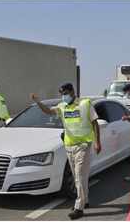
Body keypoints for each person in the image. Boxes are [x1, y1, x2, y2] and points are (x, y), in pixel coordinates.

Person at [30, 83, 102, 220]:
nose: (64, 96)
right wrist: (38, 102)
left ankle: (78, 207)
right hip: (69, 146)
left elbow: (95, 123)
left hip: (83, 145)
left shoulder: (85, 103)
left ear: (72, 91)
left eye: (65, 93)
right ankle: (85, 201)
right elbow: (48, 111)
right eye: (62, 94)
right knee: (78, 177)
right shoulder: (62, 106)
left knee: (80, 176)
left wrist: (98, 142)